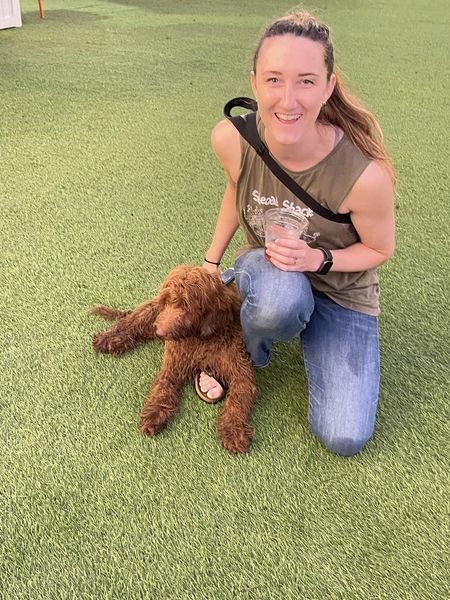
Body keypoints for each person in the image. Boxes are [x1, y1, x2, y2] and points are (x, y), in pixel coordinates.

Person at [197, 10, 395, 457]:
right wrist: (211, 261)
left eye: (306, 81)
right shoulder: (231, 139)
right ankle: (245, 348)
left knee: (344, 436)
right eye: (274, 79)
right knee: (280, 299)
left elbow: (380, 248)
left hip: (341, 290)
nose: (288, 100)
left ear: (328, 87)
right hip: (272, 271)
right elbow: (235, 188)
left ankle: (258, 302)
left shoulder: (365, 176)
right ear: (254, 83)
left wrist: (319, 259)